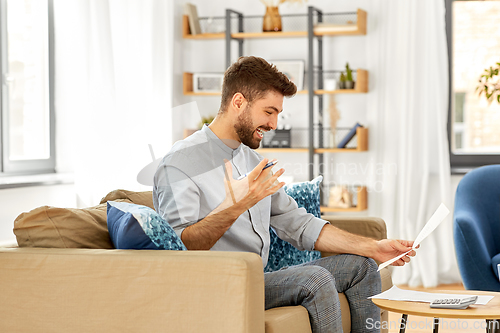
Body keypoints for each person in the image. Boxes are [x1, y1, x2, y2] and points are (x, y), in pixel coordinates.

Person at [153, 56, 415, 333]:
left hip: (259, 278)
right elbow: (179, 250)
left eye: (277, 113)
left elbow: (299, 224)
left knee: (363, 267)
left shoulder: (252, 161)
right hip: (216, 284)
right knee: (315, 279)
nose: (274, 123)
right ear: (238, 102)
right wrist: (236, 204)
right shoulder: (180, 163)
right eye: (269, 111)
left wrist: (373, 248)